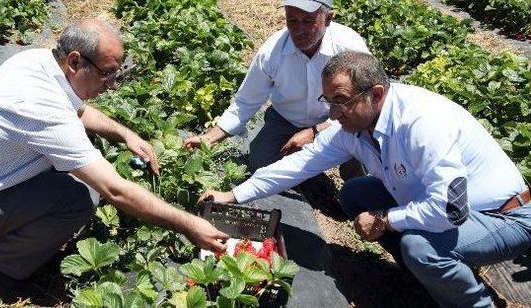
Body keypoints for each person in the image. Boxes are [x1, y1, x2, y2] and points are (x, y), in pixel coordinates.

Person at [0, 19, 228, 301]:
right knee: (79, 198)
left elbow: (78, 111)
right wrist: (189, 224)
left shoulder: (37, 62)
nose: (112, 84)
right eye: (107, 72)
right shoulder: (41, 107)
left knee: (84, 158)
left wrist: (125, 135)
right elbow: (116, 190)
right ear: (74, 61)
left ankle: (13, 240)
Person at [200, 51, 531, 307]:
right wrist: (233, 195)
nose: (332, 114)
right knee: (357, 193)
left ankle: (471, 301)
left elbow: (450, 210)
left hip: (502, 215)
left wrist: (386, 220)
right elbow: (301, 165)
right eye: (328, 101)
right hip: (442, 206)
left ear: (375, 93)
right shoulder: (354, 126)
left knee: (420, 248)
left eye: (341, 101)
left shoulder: (422, 124)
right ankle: (427, 276)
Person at [184, 0, 369, 173]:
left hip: (341, 120)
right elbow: (246, 101)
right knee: (259, 164)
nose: (299, 29)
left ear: (328, 18)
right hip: (287, 120)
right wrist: (209, 138)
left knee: (363, 161)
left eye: (308, 21)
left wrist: (316, 132)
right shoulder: (272, 52)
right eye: (292, 20)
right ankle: (311, 180)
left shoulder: (350, 49)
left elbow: (365, 104)